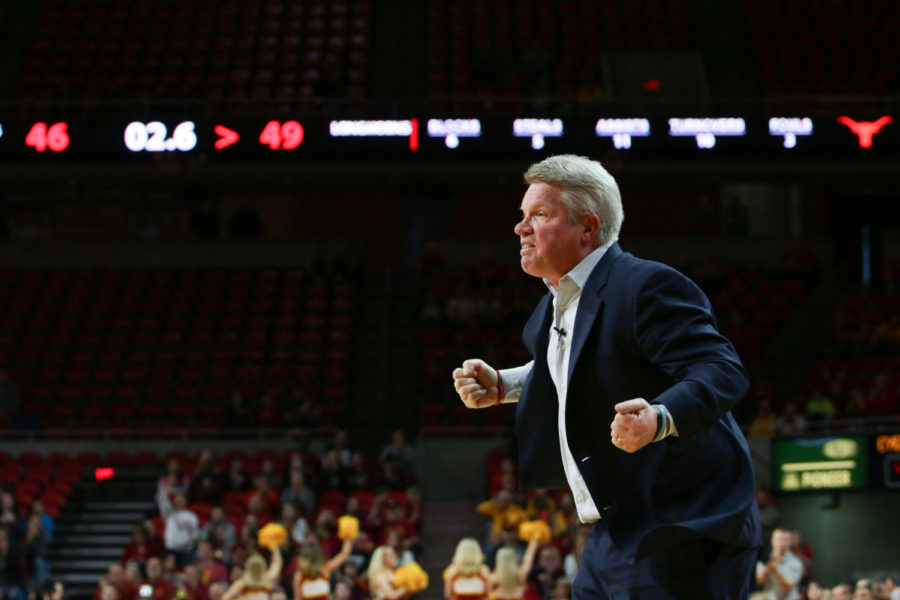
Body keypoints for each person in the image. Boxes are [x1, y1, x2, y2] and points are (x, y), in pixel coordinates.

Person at [452, 155, 761, 598]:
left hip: (678, 527)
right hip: (612, 531)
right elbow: (586, 362)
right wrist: (507, 384)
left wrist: (660, 417)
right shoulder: (551, 308)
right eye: (522, 216)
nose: (521, 228)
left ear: (588, 228)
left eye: (538, 215)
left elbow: (721, 368)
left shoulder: (644, 285)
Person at [156, 482, 199, 567]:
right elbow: (162, 502)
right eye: (177, 498)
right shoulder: (169, 513)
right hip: (171, 549)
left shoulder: (191, 516)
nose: (179, 500)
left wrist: (189, 541)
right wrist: (165, 491)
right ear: (174, 500)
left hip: (186, 550)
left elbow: (195, 533)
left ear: (185, 500)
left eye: (181, 498)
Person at [755, 528, 802, 600]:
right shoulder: (765, 558)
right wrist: (767, 568)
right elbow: (758, 582)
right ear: (772, 540)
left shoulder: (796, 562)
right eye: (779, 539)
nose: (782, 543)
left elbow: (787, 588)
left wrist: (775, 572)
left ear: (790, 542)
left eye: (785, 540)